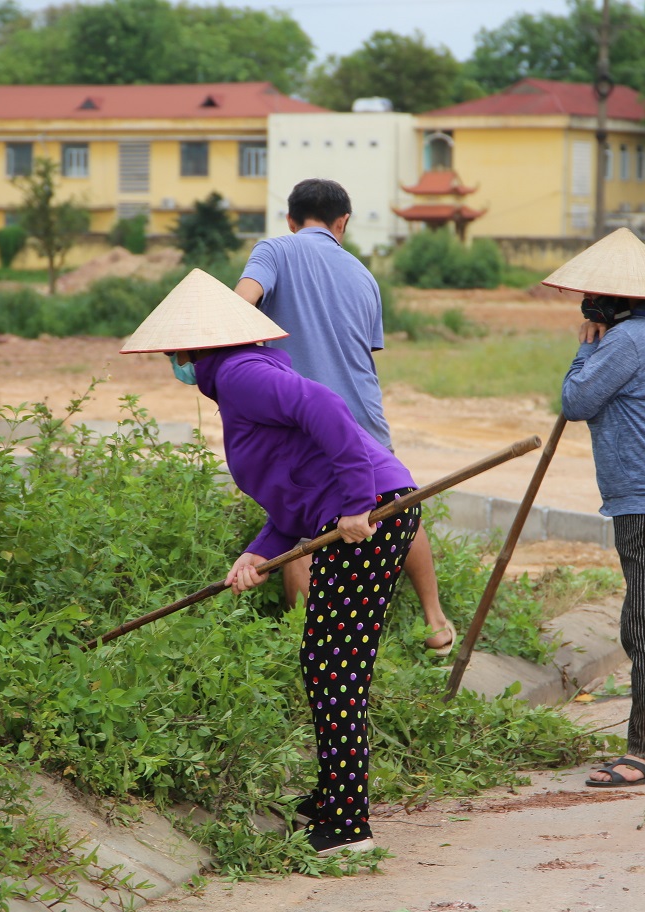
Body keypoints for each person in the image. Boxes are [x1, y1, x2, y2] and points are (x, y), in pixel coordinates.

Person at [120, 268, 421, 856]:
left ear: (190, 348)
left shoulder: (238, 373)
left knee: (334, 663)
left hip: (370, 516)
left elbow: (328, 409)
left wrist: (358, 501)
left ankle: (347, 823)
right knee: (328, 661)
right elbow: (295, 486)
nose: (173, 364)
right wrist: (259, 552)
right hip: (352, 514)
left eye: (173, 354)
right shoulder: (243, 374)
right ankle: (333, 797)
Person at [233, 178, 457, 656]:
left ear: (291, 220)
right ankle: (435, 621)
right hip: (365, 413)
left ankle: (307, 640)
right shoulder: (363, 274)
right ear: (344, 223)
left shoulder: (275, 250)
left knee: (308, 527)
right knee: (399, 506)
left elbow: (241, 302)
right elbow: (364, 347)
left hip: (308, 421)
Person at [544, 228, 645, 788]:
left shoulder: (627, 339)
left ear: (617, 301)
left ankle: (643, 754)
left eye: (595, 299)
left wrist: (586, 344)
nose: (589, 306)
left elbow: (575, 401)